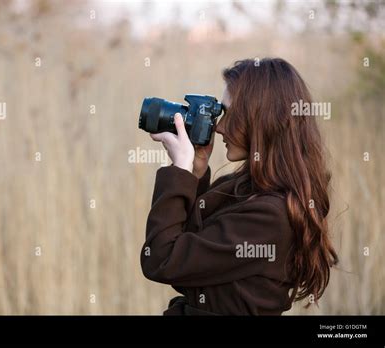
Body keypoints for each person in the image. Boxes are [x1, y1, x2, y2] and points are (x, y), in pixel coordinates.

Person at [140, 58, 338, 315]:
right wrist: (196, 173)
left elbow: (161, 258)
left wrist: (179, 171)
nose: (219, 127)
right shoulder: (243, 189)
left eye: (229, 114)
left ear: (262, 121)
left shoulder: (271, 216)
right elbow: (191, 247)